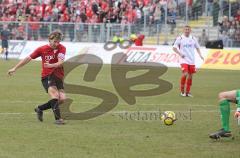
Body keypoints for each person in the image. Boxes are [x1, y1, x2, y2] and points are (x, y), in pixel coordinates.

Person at [8, 31, 66, 125]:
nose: (56, 44)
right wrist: (15, 68)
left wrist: (51, 65)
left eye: (58, 42)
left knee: (62, 99)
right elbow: (28, 58)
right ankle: (58, 119)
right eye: (55, 41)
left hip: (58, 76)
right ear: (50, 40)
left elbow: (60, 62)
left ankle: (40, 108)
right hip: (47, 76)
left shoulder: (62, 48)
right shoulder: (42, 49)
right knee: (55, 95)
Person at [173, 25, 204, 97]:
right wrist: (180, 54)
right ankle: (182, 91)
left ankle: (187, 92)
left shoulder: (193, 38)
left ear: (190, 31)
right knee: (185, 73)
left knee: (190, 76)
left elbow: (197, 48)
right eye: (186, 29)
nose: (187, 31)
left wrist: (200, 55)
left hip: (191, 60)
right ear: (183, 30)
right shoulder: (180, 38)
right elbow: (174, 48)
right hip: (183, 60)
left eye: (188, 29)